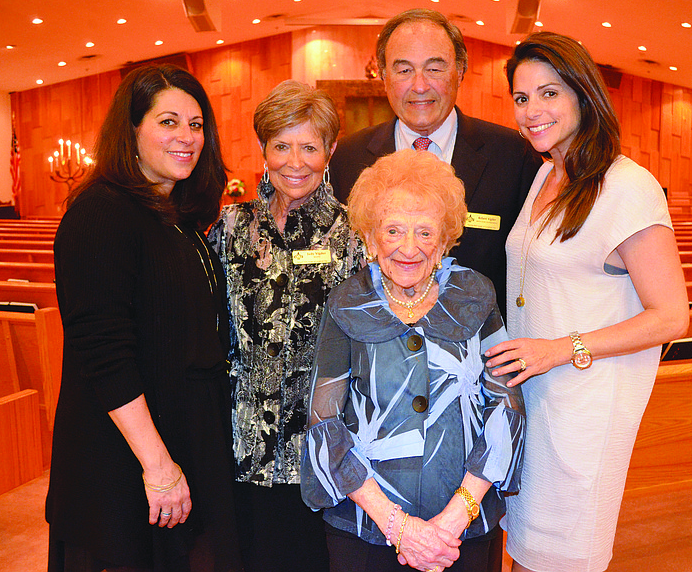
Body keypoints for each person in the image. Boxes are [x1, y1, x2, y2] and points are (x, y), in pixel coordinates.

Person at [484, 33, 690, 572]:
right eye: (522, 98)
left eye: (548, 93)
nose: (532, 112)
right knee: (526, 550)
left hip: (585, 406)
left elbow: (671, 315)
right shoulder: (548, 172)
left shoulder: (627, 186)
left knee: (566, 555)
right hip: (535, 399)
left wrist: (560, 348)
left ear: (582, 93)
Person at [46, 65, 242, 571]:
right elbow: (104, 352)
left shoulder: (175, 216)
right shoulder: (101, 213)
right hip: (123, 464)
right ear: (131, 130)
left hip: (175, 442)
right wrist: (157, 466)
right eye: (168, 121)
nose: (186, 137)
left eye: (196, 125)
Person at [301, 149, 526, 572]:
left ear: (443, 242)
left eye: (425, 233)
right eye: (393, 230)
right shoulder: (347, 303)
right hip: (366, 527)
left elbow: (506, 409)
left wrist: (455, 517)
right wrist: (400, 527)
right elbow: (324, 424)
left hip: (462, 530)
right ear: (369, 239)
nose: (409, 248)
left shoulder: (474, 296)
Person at [207, 80, 364, 572]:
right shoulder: (229, 228)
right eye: (281, 145)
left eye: (309, 146)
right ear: (263, 149)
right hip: (240, 448)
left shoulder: (354, 234)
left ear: (330, 150)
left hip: (319, 453)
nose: (295, 161)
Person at [328, 8, 540, 317]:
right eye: (403, 70)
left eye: (435, 69)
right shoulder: (349, 157)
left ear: (460, 71)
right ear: (384, 77)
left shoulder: (513, 155)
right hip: (376, 350)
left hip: (481, 350)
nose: (419, 86)